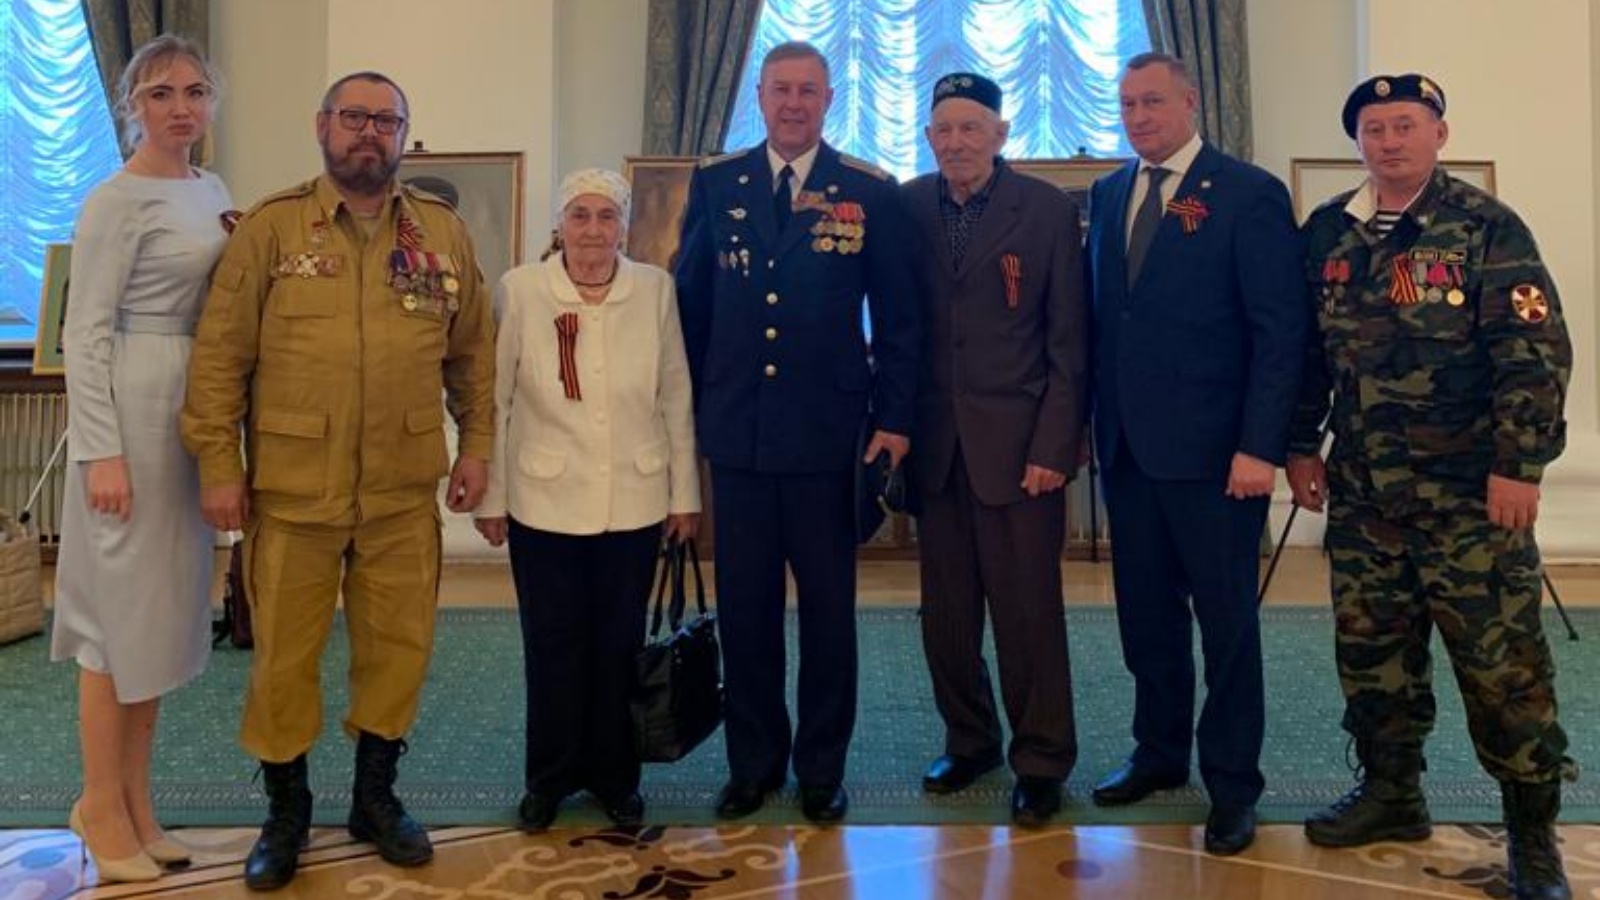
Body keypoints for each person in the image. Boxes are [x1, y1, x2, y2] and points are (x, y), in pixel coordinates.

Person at [180, 71, 495, 891]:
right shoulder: (271, 229)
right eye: (354, 117)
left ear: (403, 136)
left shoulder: (440, 234)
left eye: (386, 121)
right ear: (323, 126)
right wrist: (219, 465)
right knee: (283, 661)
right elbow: (219, 360)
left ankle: (374, 800)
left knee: (399, 653)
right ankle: (285, 812)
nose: (369, 133)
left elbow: (472, 354)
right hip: (293, 494)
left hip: (401, 492)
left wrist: (477, 446)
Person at [1288, 73, 1576, 900]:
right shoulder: (1329, 232)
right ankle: (1392, 794)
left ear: (1439, 134)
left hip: (1470, 499)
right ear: (1358, 142)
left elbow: (1534, 353)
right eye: (1374, 129)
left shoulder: (1485, 227)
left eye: (1405, 125)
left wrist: (1519, 465)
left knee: (1503, 671)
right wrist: (1300, 445)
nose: (1390, 141)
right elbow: (1306, 353)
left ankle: (1532, 837)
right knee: (1373, 656)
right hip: (1366, 496)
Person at [673, 40, 920, 823]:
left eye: (808, 90)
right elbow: (690, 308)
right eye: (780, 89)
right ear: (759, 95)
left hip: (827, 439)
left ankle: (820, 769)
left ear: (828, 100)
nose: (793, 103)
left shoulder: (867, 191)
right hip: (739, 437)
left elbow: (900, 317)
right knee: (746, 614)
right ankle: (753, 765)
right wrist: (688, 418)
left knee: (827, 616)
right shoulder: (718, 184)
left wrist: (894, 419)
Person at [1085, 52, 1307, 856]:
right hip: (1129, 452)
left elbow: (1279, 331)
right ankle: (1158, 753)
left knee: (1227, 628)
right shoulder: (1110, 193)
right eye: (1127, 105)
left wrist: (1260, 447)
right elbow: (1110, 320)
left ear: (1191, 102)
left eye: (1153, 102)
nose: (1139, 117)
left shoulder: (1247, 193)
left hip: (1219, 460)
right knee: (1146, 620)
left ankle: (1233, 785)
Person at [49, 34, 231, 885]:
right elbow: (83, 332)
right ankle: (97, 801)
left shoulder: (211, 189)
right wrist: (101, 452)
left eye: (193, 91)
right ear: (132, 106)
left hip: (186, 410)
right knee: (112, 622)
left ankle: (136, 801)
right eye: (160, 94)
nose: (180, 107)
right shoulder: (114, 201)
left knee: (158, 616)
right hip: (129, 404)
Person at [473, 168, 701, 832]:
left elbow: (675, 393)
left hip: (634, 499)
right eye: (580, 215)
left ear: (623, 226)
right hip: (543, 501)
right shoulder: (522, 289)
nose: (594, 230)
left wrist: (684, 494)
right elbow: (496, 398)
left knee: (618, 645)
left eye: (606, 216)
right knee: (552, 645)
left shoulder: (653, 289)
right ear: (560, 224)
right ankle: (548, 778)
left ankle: (613, 777)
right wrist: (492, 498)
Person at [901, 72, 1089, 827]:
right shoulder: (908, 206)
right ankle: (970, 739)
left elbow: (1070, 342)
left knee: (1027, 615)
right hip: (936, 451)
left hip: (1020, 452)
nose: (956, 142)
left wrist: (1056, 446)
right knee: (945, 618)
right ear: (928, 138)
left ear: (1001, 134)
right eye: (943, 130)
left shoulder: (1046, 210)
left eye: (970, 128)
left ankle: (1041, 759)